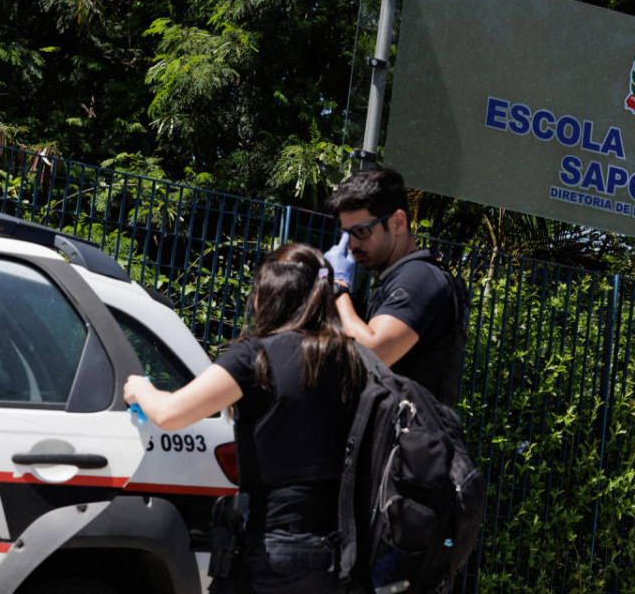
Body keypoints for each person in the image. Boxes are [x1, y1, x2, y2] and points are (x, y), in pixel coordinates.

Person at [123, 243, 366, 594]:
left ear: (268, 297)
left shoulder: (257, 357)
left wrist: (140, 389)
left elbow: (171, 413)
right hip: (336, 549)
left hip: (274, 545)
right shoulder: (350, 357)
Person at [323, 167, 465, 406]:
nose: (351, 245)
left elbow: (374, 352)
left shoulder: (419, 277)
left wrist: (338, 287)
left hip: (410, 438)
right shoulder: (396, 279)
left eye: (361, 231)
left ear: (398, 223)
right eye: (346, 234)